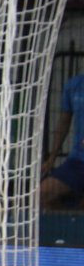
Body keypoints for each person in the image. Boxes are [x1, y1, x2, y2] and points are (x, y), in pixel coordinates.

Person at [43, 72, 84, 209]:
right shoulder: (74, 85)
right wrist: (52, 157)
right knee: (42, 194)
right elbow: (64, 122)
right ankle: (71, 217)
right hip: (78, 161)